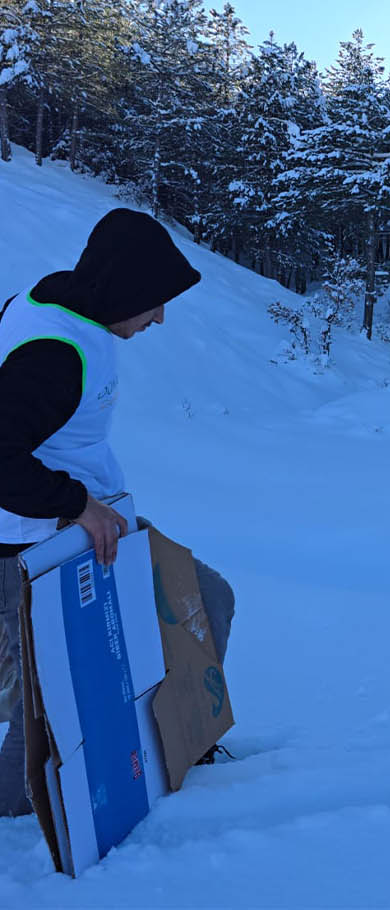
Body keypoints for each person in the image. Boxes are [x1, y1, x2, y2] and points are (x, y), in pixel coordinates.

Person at [0, 208, 234, 818]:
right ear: (124, 288)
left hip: (90, 526)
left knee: (205, 598)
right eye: (154, 302)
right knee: (46, 697)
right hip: (39, 544)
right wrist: (76, 505)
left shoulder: (58, 302)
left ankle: (177, 744)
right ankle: (20, 824)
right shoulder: (56, 351)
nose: (160, 317)